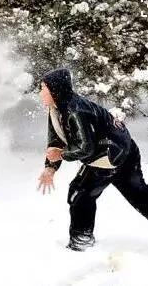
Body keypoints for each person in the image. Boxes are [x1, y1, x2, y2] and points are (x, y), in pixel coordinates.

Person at [38, 68, 148, 251]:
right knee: (139, 195)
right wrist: (50, 167)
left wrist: (62, 155)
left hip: (112, 156)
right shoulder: (56, 109)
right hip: (119, 152)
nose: (40, 93)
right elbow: (55, 141)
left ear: (55, 90)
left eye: (43, 88)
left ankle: (81, 243)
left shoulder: (75, 111)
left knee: (80, 193)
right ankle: (82, 240)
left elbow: (84, 147)